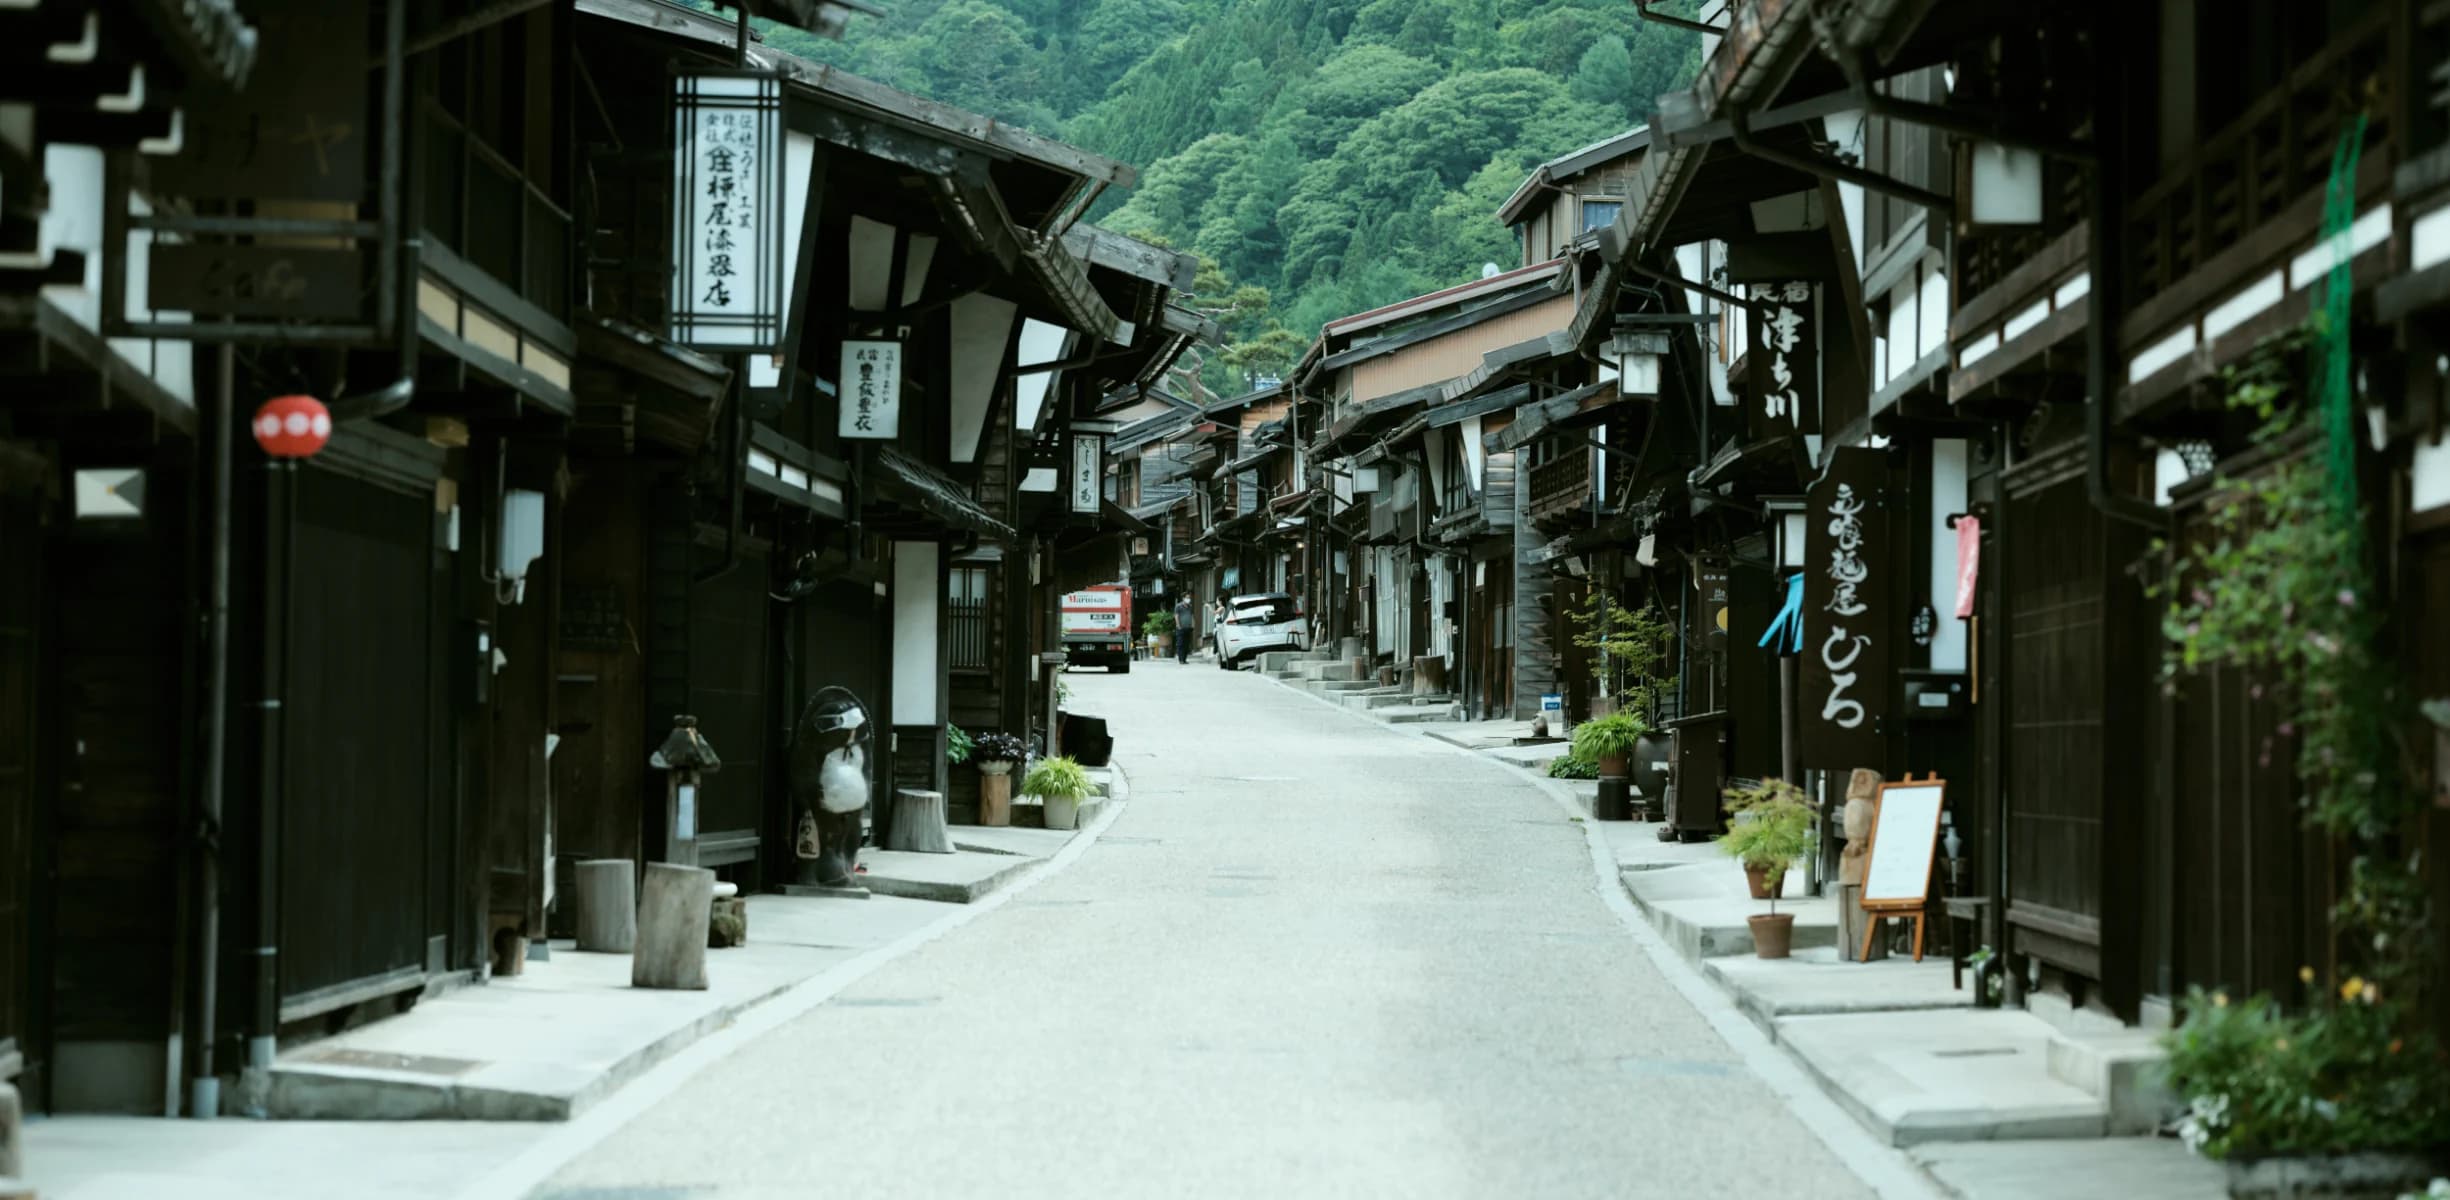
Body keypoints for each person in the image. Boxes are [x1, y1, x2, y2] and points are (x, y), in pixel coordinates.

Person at [1173, 596, 1196, 664]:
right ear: (1183, 598)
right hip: (1180, 628)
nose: (1188, 599)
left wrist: (1193, 624)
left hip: (1188, 628)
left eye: (1189, 598)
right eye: (1187, 598)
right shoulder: (1178, 606)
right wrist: (1178, 625)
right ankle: (1181, 659)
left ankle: (1184, 659)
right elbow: (1176, 616)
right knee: (1180, 644)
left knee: (1186, 644)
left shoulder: (1190, 607)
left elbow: (1191, 616)